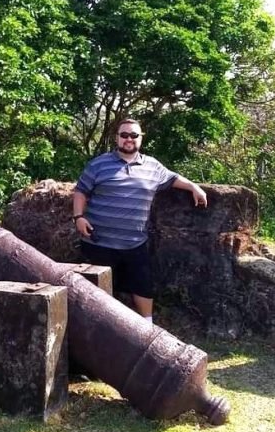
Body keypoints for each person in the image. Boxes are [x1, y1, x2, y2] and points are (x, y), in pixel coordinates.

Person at [72, 118, 207, 325]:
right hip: (98, 242)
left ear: (141, 139)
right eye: (124, 135)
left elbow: (173, 178)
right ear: (116, 138)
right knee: (99, 291)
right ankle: (99, 329)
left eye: (134, 135)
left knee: (143, 285)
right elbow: (80, 191)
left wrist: (194, 187)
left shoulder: (152, 166)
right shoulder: (98, 164)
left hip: (135, 242)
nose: (129, 139)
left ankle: (147, 328)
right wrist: (79, 217)